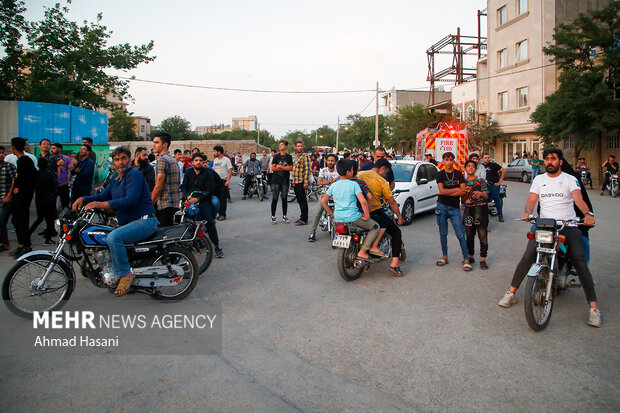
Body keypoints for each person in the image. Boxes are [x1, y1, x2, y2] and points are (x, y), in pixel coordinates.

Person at [498, 148, 600, 327]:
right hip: (545, 225)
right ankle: (511, 293)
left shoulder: (570, 179)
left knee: (579, 261)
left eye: (554, 158)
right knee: (528, 256)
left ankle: (593, 308)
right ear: (544, 162)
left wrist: (587, 214)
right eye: (547, 159)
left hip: (567, 225)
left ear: (560, 161)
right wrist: (528, 212)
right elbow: (532, 199)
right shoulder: (539, 179)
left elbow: (579, 200)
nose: (550, 162)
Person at [73, 146, 158, 297]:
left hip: (144, 221)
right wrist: (84, 198)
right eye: (117, 159)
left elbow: (130, 200)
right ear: (113, 162)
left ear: (129, 159)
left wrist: (103, 205)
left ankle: (125, 274)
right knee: (104, 234)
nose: (120, 162)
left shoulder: (134, 175)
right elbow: (103, 195)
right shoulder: (116, 178)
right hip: (130, 222)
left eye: (123, 158)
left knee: (114, 237)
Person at [320, 159, 382, 260]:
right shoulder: (354, 184)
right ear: (348, 172)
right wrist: (366, 215)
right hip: (353, 217)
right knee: (375, 227)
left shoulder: (334, 185)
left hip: (338, 218)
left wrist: (332, 214)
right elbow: (363, 201)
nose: (354, 171)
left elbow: (323, 201)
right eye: (353, 170)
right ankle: (363, 251)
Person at [358, 159, 405, 276]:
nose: (386, 174)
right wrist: (399, 216)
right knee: (396, 232)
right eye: (386, 172)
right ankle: (394, 264)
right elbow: (392, 202)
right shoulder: (382, 181)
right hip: (373, 210)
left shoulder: (360, 174)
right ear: (382, 168)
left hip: (356, 211)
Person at [181, 153, 224, 258]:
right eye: (196, 160)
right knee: (185, 222)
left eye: (200, 160)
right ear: (192, 162)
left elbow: (209, 190)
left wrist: (198, 199)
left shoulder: (207, 173)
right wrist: (187, 197)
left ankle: (216, 246)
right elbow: (184, 187)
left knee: (209, 221)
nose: (198, 162)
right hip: (189, 200)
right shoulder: (188, 173)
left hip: (203, 200)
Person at [435, 152, 470, 271]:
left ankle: (466, 259)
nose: (449, 162)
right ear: (443, 161)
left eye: (451, 159)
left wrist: (450, 191)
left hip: (455, 208)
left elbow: (464, 190)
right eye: (446, 159)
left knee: (460, 233)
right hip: (442, 206)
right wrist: (457, 191)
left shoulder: (459, 174)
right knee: (443, 233)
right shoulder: (440, 174)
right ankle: (445, 256)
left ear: (454, 161)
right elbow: (441, 191)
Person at [9, 137, 37, 258]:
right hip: (20, 196)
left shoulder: (24, 160)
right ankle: (21, 244)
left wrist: (20, 188)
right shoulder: (22, 160)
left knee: (22, 221)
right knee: (16, 220)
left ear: (13, 148)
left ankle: (26, 246)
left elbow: (30, 177)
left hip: (23, 196)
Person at [462, 160, 489, 269]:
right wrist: (467, 192)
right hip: (468, 209)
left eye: (473, 166)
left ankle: (483, 258)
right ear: (465, 168)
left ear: (476, 169)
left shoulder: (481, 181)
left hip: (480, 209)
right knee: (469, 234)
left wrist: (480, 194)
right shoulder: (463, 182)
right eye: (468, 166)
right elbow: (462, 199)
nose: (471, 168)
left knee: (482, 235)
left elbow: (486, 196)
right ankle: (470, 255)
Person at [308, 153, 340, 241]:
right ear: (326, 161)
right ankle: (312, 233)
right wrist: (328, 182)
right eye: (329, 160)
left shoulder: (339, 171)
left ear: (335, 162)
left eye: (332, 161)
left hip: (336, 195)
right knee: (318, 213)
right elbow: (319, 182)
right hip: (324, 194)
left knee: (340, 213)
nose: (330, 162)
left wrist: (336, 181)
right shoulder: (323, 170)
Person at [151, 132, 181, 226]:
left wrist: (149, 203)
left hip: (165, 204)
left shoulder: (162, 160)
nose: (154, 145)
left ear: (165, 144)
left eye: (156, 142)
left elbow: (159, 186)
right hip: (174, 203)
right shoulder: (172, 159)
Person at [29, 157, 57, 245]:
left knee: (39, 218)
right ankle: (48, 239)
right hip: (49, 200)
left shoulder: (35, 174)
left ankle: (28, 234)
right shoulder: (50, 174)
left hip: (39, 200)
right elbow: (54, 187)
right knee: (49, 220)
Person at [270, 140, 293, 224]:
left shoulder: (289, 157)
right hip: (276, 181)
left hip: (285, 181)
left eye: (282, 145)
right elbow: (273, 168)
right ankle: (273, 216)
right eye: (280, 145)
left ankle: (284, 216)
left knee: (284, 198)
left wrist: (279, 166)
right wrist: (284, 167)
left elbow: (290, 168)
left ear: (286, 146)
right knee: (275, 198)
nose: (280, 146)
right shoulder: (276, 157)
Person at [0, 145, 16, 252]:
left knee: (1, 221)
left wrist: (9, 196)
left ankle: (6, 244)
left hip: (7, 199)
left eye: (2, 153)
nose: (1, 155)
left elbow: (15, 181)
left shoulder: (9, 166)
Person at [482, 152, 506, 222]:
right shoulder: (481, 166)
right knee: (483, 199)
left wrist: (500, 181)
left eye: (488, 157)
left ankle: (500, 215)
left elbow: (503, 170)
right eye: (485, 158)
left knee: (496, 199)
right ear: (482, 159)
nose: (487, 159)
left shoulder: (493, 165)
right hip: (484, 185)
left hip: (493, 185)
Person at [211, 145, 233, 220]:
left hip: (223, 181)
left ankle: (223, 214)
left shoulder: (226, 160)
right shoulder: (215, 160)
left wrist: (227, 181)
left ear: (219, 152)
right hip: (215, 181)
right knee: (217, 198)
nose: (213, 153)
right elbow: (213, 170)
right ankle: (218, 213)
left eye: (214, 151)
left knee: (223, 198)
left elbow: (230, 171)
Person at [291, 141, 311, 225]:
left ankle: (304, 219)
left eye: (301, 146)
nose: (300, 147)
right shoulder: (296, 157)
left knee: (303, 201)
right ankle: (301, 216)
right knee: (299, 200)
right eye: (298, 146)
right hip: (295, 182)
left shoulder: (305, 156)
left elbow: (307, 170)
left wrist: (306, 182)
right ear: (295, 147)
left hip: (301, 182)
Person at [52, 143, 73, 209]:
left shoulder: (66, 158)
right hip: (53, 184)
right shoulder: (50, 158)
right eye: (51, 148)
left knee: (65, 203)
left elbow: (71, 170)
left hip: (63, 184)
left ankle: (65, 217)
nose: (52, 150)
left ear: (59, 149)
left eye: (54, 148)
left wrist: (68, 181)